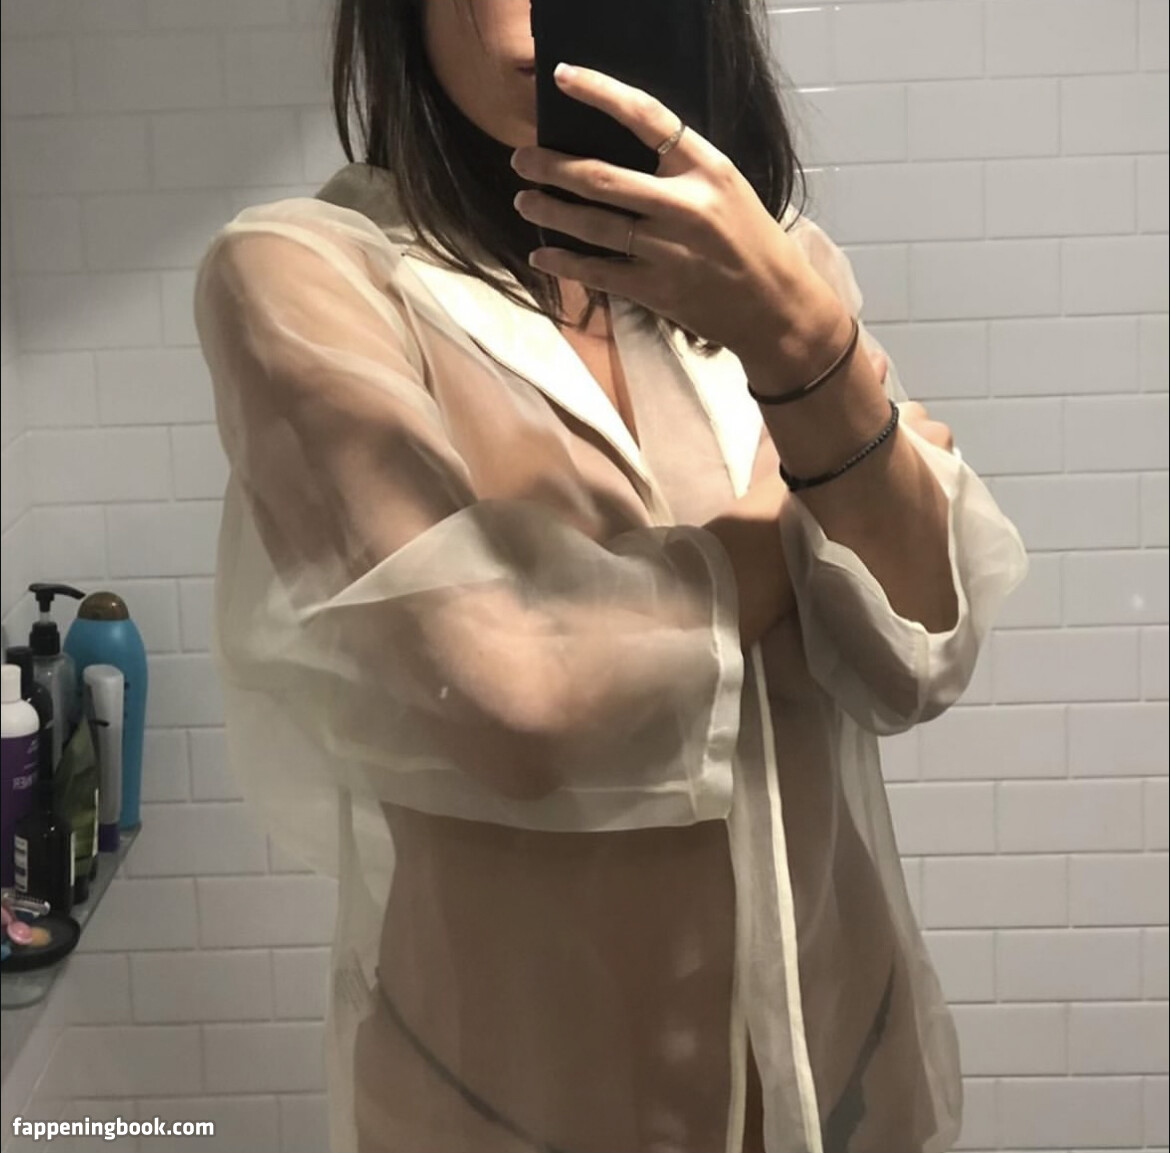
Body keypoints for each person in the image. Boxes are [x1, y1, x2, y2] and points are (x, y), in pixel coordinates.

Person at [192, 1, 1029, 1150]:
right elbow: (518, 702)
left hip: (841, 1083)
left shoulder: (772, 272)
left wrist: (795, 338)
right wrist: (806, 482)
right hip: (503, 1106)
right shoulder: (307, 276)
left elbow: (919, 647)